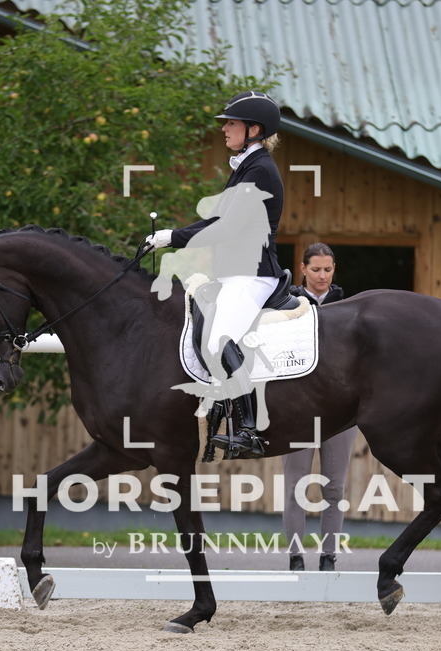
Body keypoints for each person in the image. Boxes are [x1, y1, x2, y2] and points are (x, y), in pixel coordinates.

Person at [145, 91, 284, 458]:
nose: (224, 129)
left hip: (253, 274)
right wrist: (169, 237)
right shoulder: (245, 166)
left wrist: (172, 237)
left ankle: (250, 430)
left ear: (254, 129)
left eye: (232, 123)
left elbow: (227, 228)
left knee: (220, 340)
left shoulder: (260, 170)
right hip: (235, 274)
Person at [283, 243, 358, 571]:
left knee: (335, 485)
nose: (322, 276)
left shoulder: (350, 307)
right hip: (298, 408)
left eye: (328, 269)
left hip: (340, 410)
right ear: (303, 269)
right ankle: (295, 557)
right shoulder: (286, 304)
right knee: (295, 484)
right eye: (316, 269)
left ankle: (329, 557)